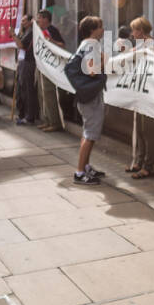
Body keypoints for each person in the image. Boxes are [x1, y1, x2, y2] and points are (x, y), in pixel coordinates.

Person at [69, 16, 108, 186]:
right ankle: (79, 173)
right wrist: (105, 62)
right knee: (90, 135)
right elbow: (91, 71)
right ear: (93, 30)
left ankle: (85, 167)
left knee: (88, 133)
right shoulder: (92, 44)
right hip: (91, 98)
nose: (103, 30)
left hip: (85, 96)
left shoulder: (85, 43)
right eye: (101, 26)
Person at [127, 16, 154, 179]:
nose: (132, 34)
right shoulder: (141, 45)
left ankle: (148, 166)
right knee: (140, 130)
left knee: (149, 131)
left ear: (141, 31)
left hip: (150, 94)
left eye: (134, 30)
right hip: (140, 92)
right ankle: (139, 162)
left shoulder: (151, 45)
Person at [36, 9, 66, 132]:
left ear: (46, 19)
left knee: (49, 93)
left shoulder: (52, 30)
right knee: (42, 94)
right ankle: (46, 120)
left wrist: (50, 41)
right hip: (41, 64)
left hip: (50, 66)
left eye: (40, 18)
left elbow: (62, 45)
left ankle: (55, 122)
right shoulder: (39, 31)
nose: (38, 20)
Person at [14, 13, 38, 126]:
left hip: (28, 63)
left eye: (24, 20)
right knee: (20, 89)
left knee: (27, 89)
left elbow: (21, 45)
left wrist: (13, 35)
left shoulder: (31, 32)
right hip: (22, 62)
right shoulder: (24, 32)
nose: (22, 22)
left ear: (30, 21)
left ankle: (29, 116)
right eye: (22, 20)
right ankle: (22, 113)